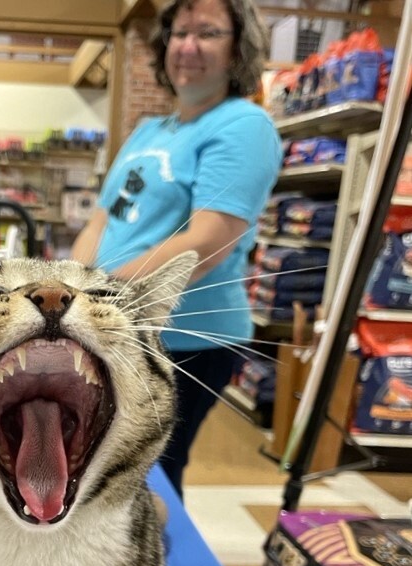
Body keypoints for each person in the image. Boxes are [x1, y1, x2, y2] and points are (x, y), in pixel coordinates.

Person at [72, 0, 282, 498]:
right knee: (105, 459)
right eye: (180, 33)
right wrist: (69, 283)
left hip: (187, 336)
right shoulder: (151, 131)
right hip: (117, 321)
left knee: (147, 471)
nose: (188, 46)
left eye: (208, 33)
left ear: (238, 50)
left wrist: (102, 295)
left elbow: (209, 239)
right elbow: (103, 218)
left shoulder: (243, 126)